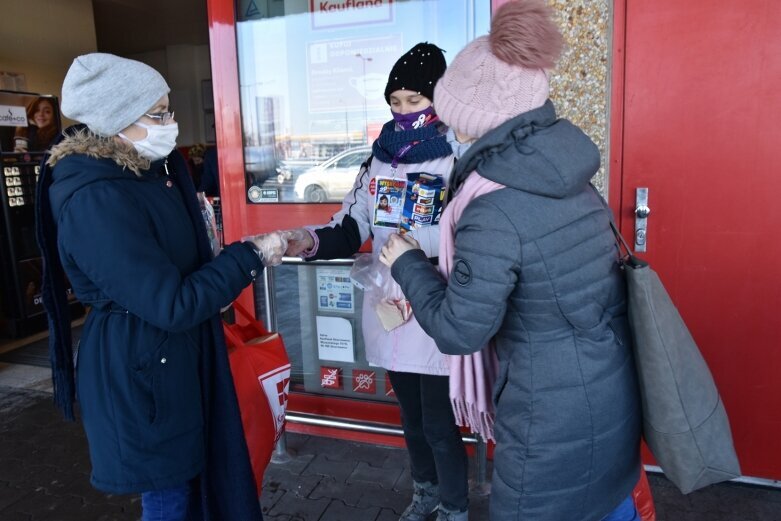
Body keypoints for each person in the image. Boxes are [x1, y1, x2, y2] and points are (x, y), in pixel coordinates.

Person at [379, 2, 642, 520]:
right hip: (607, 394)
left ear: (477, 121)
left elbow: (460, 331)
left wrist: (407, 262)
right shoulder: (570, 175)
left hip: (548, 415)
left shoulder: (492, 206)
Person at [35, 53, 286, 521]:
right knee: (171, 500)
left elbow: (180, 267)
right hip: (142, 372)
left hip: (172, 360)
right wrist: (250, 257)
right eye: (158, 114)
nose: (171, 124)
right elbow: (170, 303)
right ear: (116, 119)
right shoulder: (95, 198)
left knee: (194, 488)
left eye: (168, 110)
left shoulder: (149, 174)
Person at [280, 43, 470, 521]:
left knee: (437, 419)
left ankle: (454, 506)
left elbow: (475, 228)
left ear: (438, 100)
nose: (403, 110)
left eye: (415, 100)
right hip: (389, 301)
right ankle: (424, 492)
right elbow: (350, 225)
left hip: (436, 297)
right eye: (396, 100)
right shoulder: (378, 161)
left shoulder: (458, 157)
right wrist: (304, 240)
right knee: (409, 414)